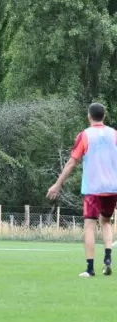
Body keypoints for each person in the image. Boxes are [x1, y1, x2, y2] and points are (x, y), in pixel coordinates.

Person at [47, 102, 117, 277]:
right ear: (104, 116)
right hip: (112, 187)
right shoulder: (114, 134)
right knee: (107, 222)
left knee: (89, 226)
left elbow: (72, 162)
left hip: (93, 188)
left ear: (89, 116)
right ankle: (107, 259)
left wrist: (57, 184)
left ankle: (90, 268)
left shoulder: (85, 136)